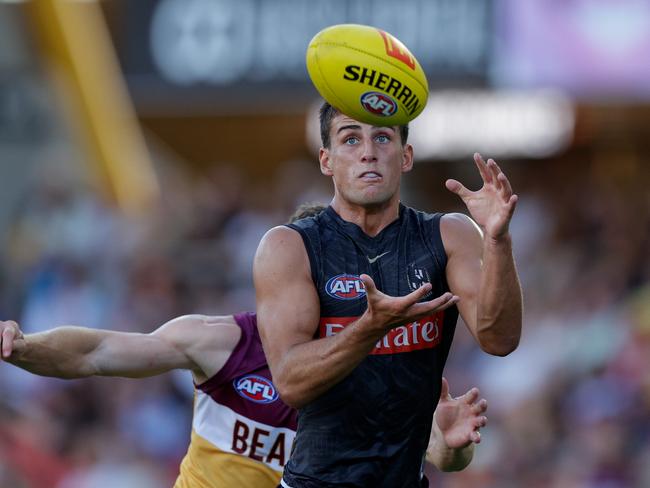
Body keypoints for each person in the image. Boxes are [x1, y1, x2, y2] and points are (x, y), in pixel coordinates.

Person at [0, 209, 488, 488]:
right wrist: (21, 347)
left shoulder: (373, 366)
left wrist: (451, 443)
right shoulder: (218, 341)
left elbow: (439, 456)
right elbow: (96, 351)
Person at [254, 102, 523, 487]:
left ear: (406, 156)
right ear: (326, 160)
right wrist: (371, 327)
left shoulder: (448, 235)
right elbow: (292, 382)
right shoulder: (289, 246)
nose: (368, 151)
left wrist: (497, 240)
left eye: (383, 137)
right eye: (350, 139)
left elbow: (500, 339)